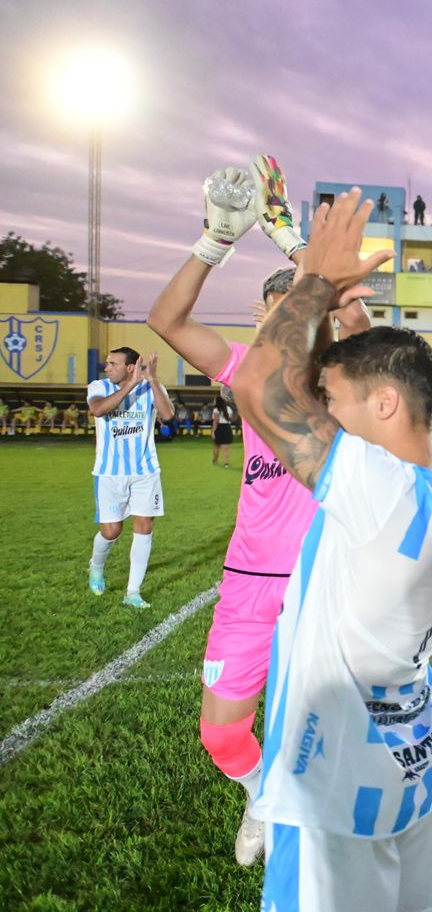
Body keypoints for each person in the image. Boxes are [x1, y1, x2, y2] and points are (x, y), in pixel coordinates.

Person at [234, 188, 432, 912]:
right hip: (411, 759)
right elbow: (379, 369)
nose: (322, 412)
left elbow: (257, 386)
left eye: (332, 401)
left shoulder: (377, 486)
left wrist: (315, 280)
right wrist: (349, 310)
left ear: (385, 406)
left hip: (333, 781)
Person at [147, 158, 373, 865]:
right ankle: (260, 796)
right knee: (221, 734)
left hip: (328, 577)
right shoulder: (245, 367)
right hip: (250, 578)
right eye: (274, 311)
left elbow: (356, 320)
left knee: (338, 730)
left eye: (299, 309)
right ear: (260, 319)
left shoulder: (343, 374)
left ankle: (325, 826)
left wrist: (288, 237)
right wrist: (214, 242)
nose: (285, 322)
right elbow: (166, 320)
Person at [86, 345, 173, 609]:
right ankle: (96, 566)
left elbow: (168, 416)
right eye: (107, 363)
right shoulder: (99, 386)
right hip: (110, 473)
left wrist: (153, 380)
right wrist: (130, 386)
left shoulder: (151, 388)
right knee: (111, 531)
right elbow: (98, 410)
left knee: (144, 526)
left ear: (130, 367)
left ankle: (132, 592)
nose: (107, 367)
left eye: (113, 363)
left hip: (145, 471)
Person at [211, 393, 236, 468]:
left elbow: (216, 421)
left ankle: (215, 460)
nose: (213, 401)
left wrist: (213, 432)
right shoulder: (229, 409)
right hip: (227, 428)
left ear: (217, 401)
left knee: (216, 446)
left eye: (214, 400)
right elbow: (231, 419)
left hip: (219, 428)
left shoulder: (216, 409)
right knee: (226, 448)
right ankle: (226, 463)